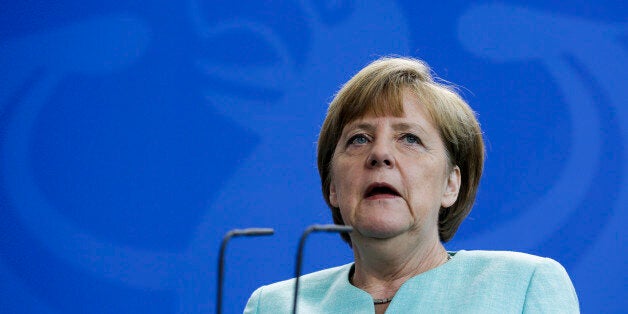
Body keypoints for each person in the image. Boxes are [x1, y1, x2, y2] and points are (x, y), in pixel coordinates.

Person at [244, 57, 579, 313]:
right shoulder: (273, 305)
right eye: (359, 139)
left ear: (451, 185)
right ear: (332, 185)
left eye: (409, 139)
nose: (380, 154)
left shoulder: (522, 286)